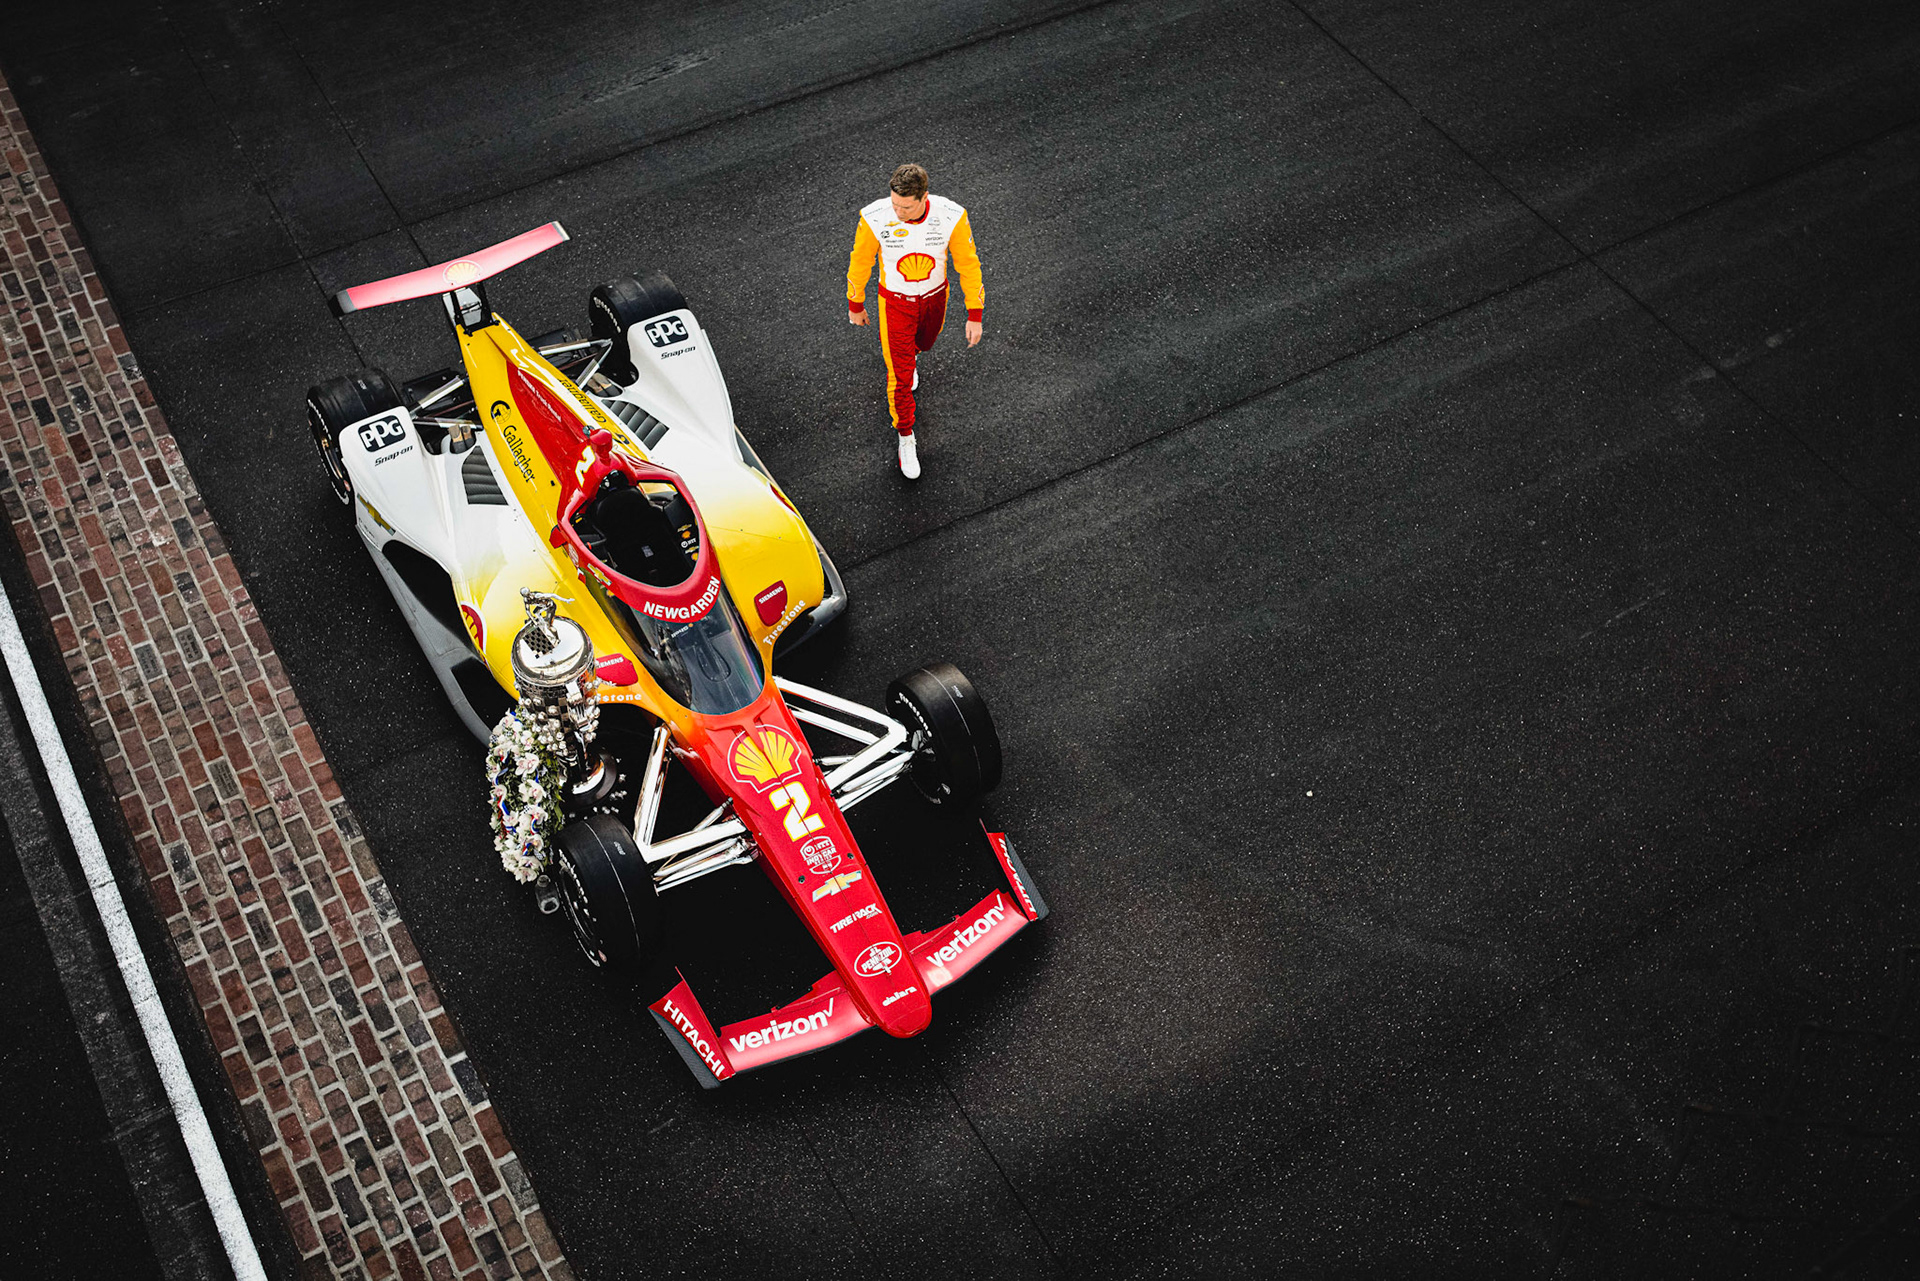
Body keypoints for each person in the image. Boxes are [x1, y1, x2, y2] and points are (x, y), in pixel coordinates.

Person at [845, 163, 983, 479]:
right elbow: (860, 262)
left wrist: (974, 314)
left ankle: (912, 356)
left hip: (935, 299)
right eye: (894, 204)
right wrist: (855, 303)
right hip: (894, 303)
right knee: (900, 377)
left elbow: (969, 266)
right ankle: (906, 434)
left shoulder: (952, 216)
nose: (898, 212)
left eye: (906, 207)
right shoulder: (874, 217)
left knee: (925, 343)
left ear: (924, 197)